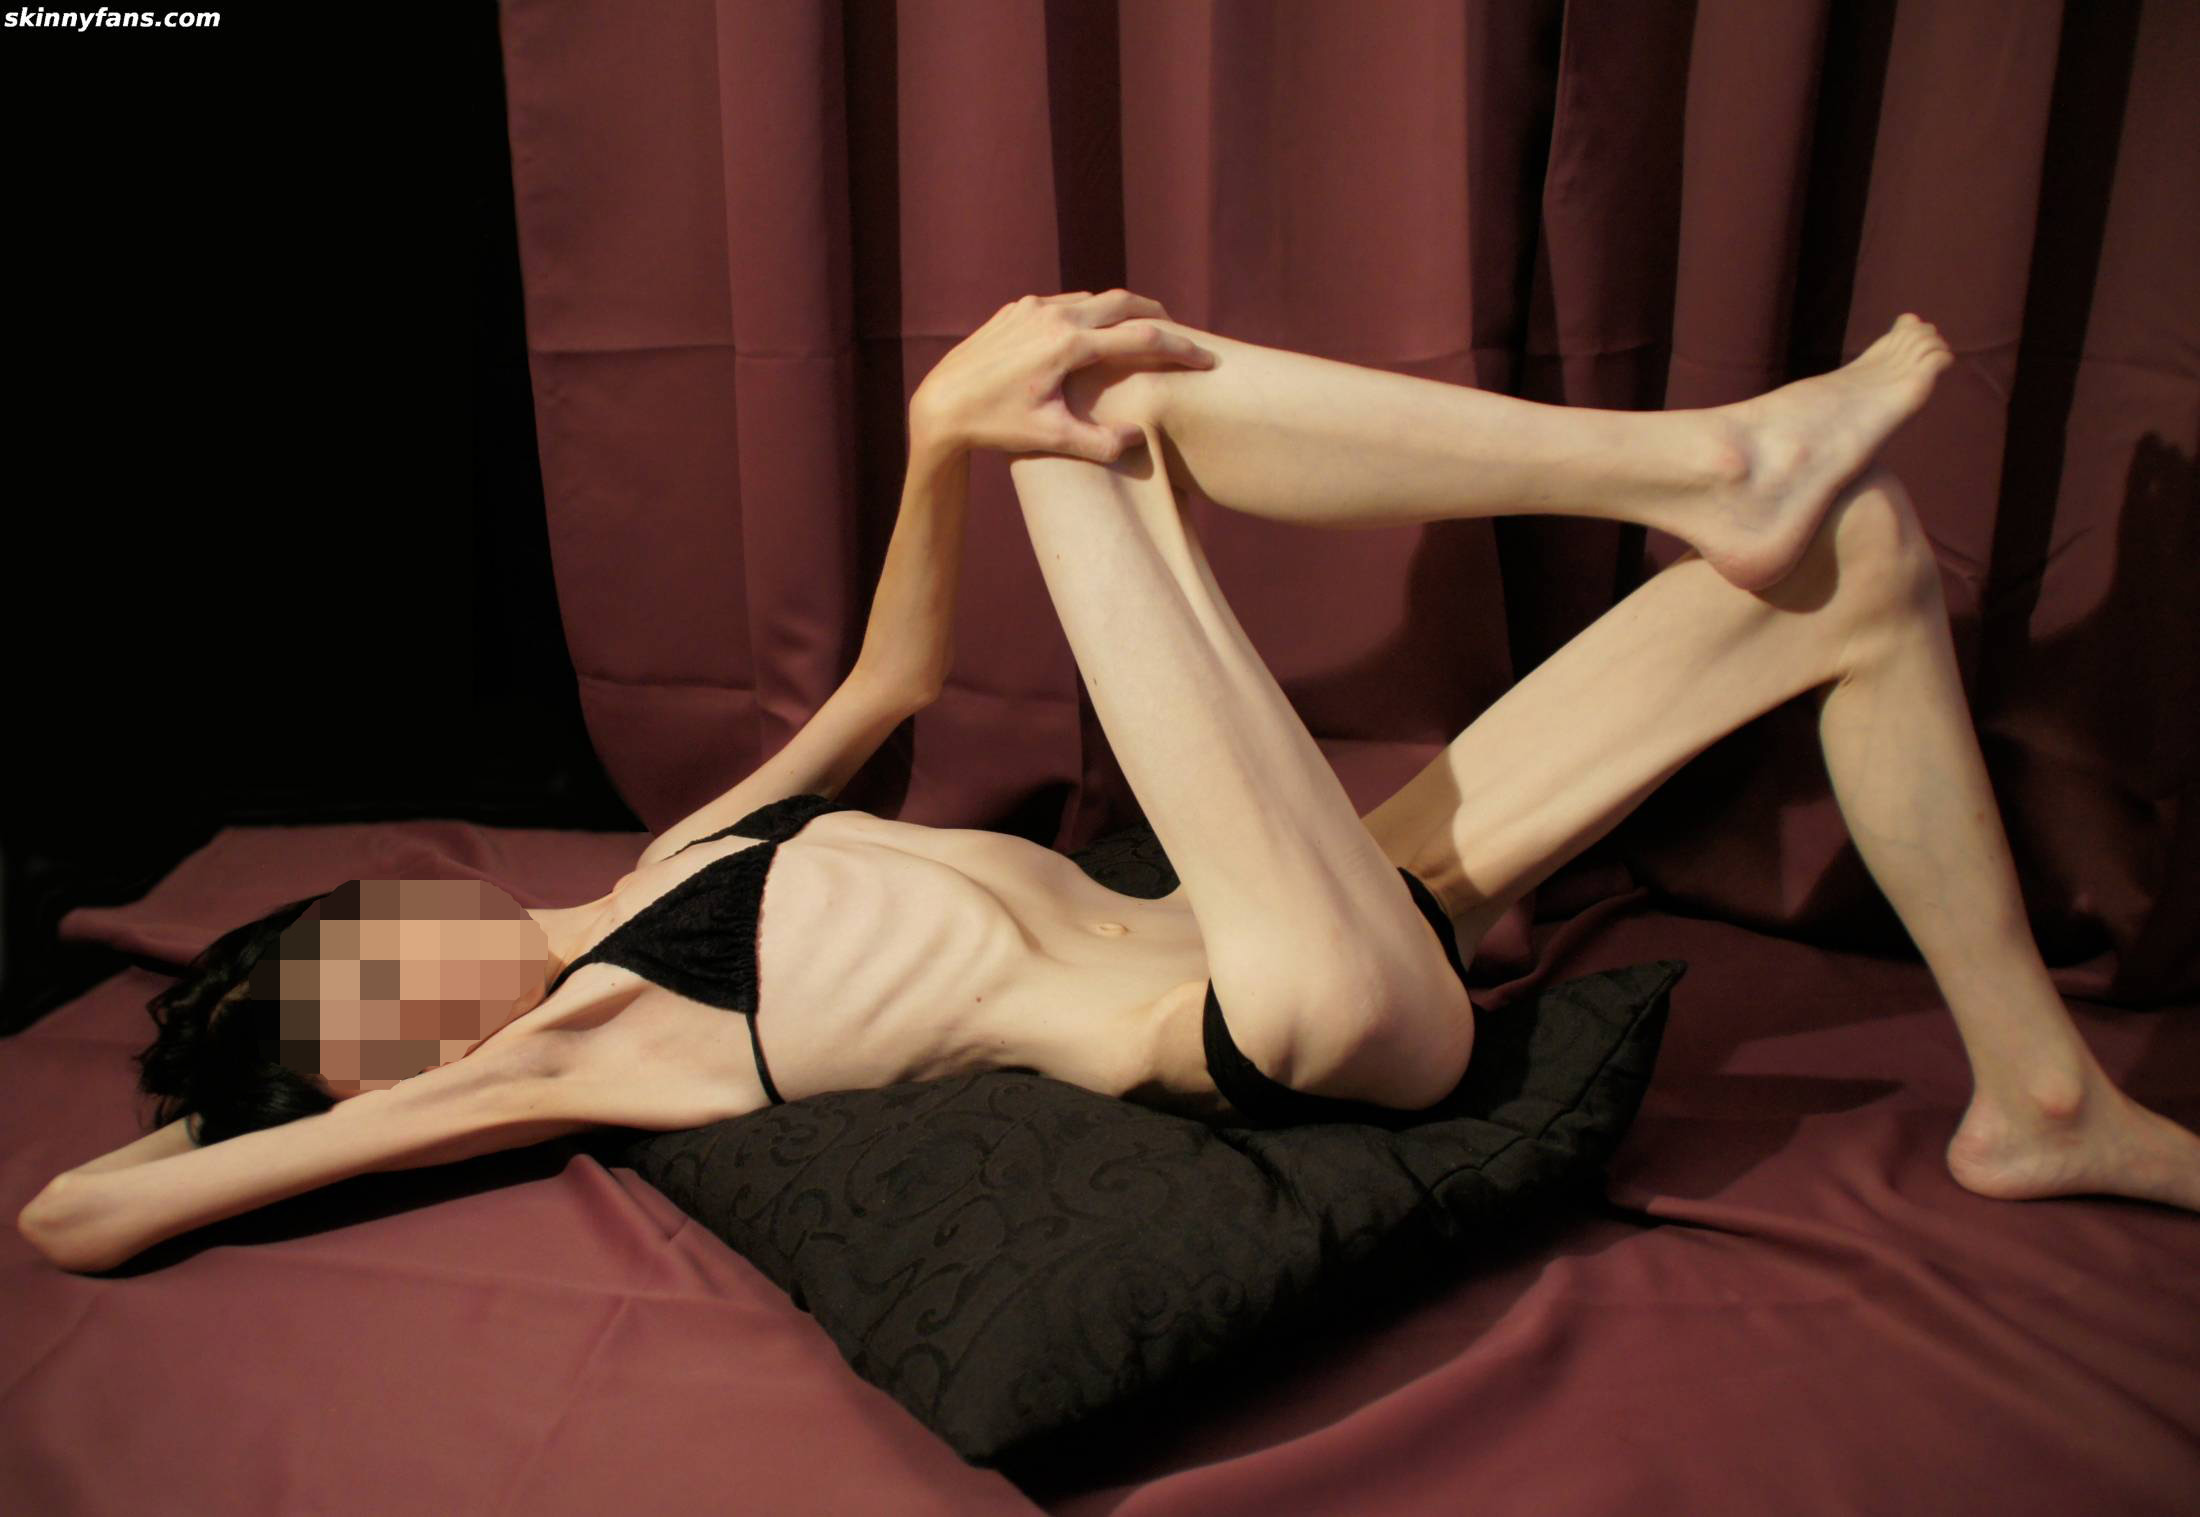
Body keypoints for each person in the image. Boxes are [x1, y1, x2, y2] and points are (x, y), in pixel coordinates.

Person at [21, 291, 2198, 1273]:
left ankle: (2037, 1100)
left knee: (1854, 562)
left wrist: (929, 450)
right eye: (367, 994)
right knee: (1086, 404)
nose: (406, 941)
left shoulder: (679, 861)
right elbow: (73, 1215)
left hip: (1353, 897)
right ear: (382, 1058)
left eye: (362, 935)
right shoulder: (577, 1052)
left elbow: (891, 674)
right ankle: (1697, 463)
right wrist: (291, 1108)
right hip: (1287, 1018)